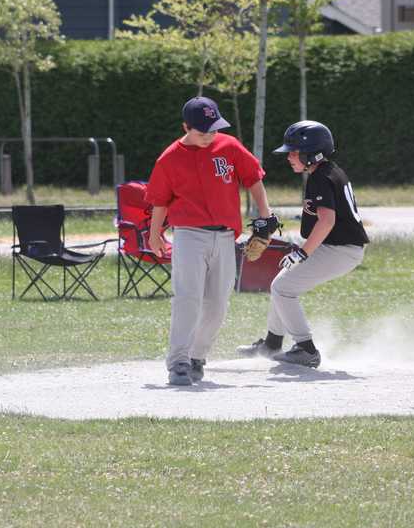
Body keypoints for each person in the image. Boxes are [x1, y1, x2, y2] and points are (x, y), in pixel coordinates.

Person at [146, 96, 274, 386]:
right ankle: (178, 361)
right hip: (189, 235)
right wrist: (155, 234)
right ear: (186, 127)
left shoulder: (229, 146)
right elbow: (160, 201)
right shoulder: (169, 158)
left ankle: (197, 356)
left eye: (214, 129)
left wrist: (265, 215)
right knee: (188, 298)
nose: (209, 136)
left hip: (225, 236)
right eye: (202, 131)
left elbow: (253, 178)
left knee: (217, 303)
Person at [236, 121, 369, 367]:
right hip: (339, 247)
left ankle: (306, 349)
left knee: (282, 288)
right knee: (282, 284)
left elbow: (327, 221)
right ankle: (272, 344)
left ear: (312, 153)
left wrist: (302, 253)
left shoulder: (321, 177)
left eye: (294, 152)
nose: (289, 157)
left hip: (341, 250)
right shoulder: (328, 171)